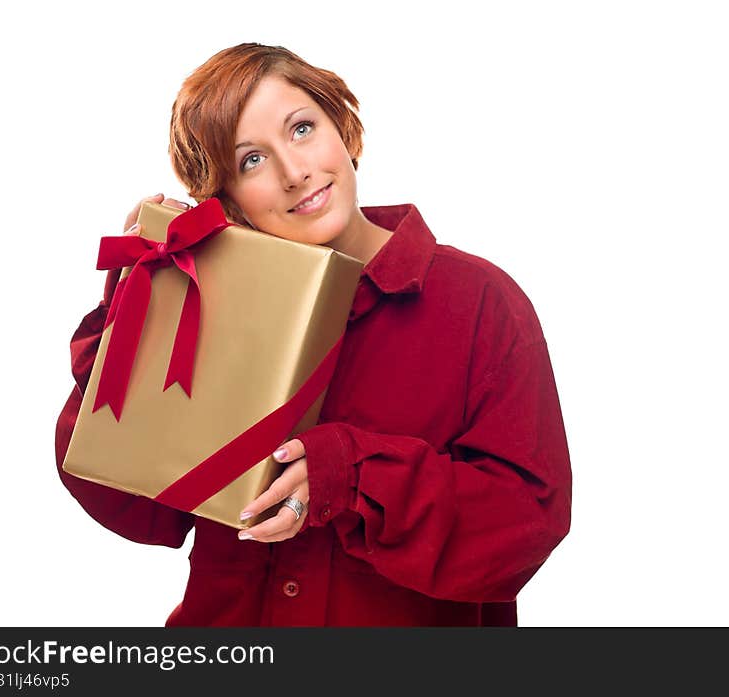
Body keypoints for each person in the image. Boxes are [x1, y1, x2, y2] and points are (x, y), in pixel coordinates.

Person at [55, 43, 572, 626]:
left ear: (345, 128)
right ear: (225, 200)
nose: (293, 172)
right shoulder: (209, 306)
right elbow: (128, 501)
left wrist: (351, 478)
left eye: (302, 128)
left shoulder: (480, 303)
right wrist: (138, 317)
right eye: (251, 160)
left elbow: (526, 526)